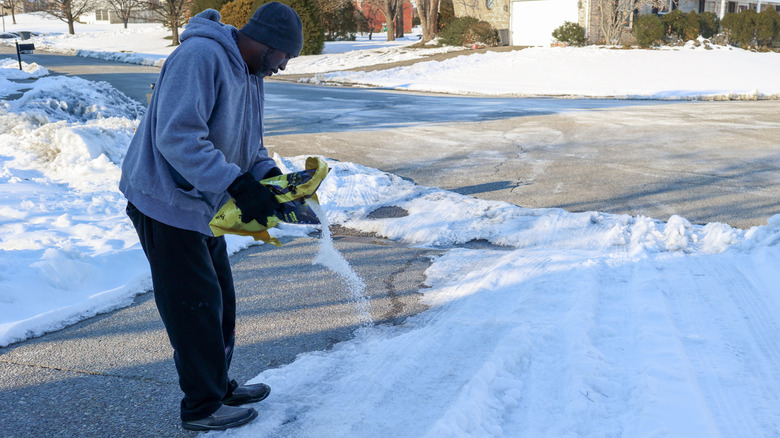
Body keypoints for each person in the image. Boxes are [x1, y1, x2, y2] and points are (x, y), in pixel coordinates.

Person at [119, 3, 303, 432]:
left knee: (219, 299)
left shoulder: (251, 73)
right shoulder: (200, 57)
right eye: (285, 57)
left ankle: (217, 386)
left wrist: (267, 177)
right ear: (267, 44)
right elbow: (177, 137)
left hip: (203, 202)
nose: (284, 66)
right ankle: (201, 407)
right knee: (194, 307)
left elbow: (249, 144)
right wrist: (235, 185)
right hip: (164, 200)